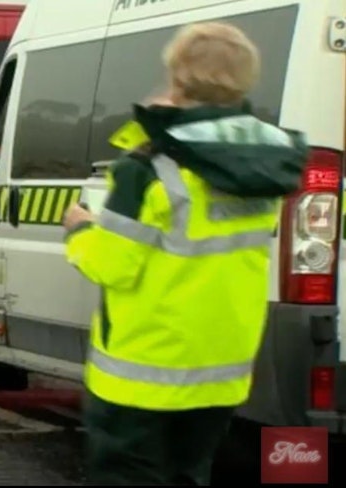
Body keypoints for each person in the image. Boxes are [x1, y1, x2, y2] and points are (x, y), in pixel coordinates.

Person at [60, 22, 307, 485]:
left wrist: (80, 230)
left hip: (141, 374)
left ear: (177, 79)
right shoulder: (264, 163)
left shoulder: (148, 168)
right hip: (220, 371)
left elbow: (111, 263)